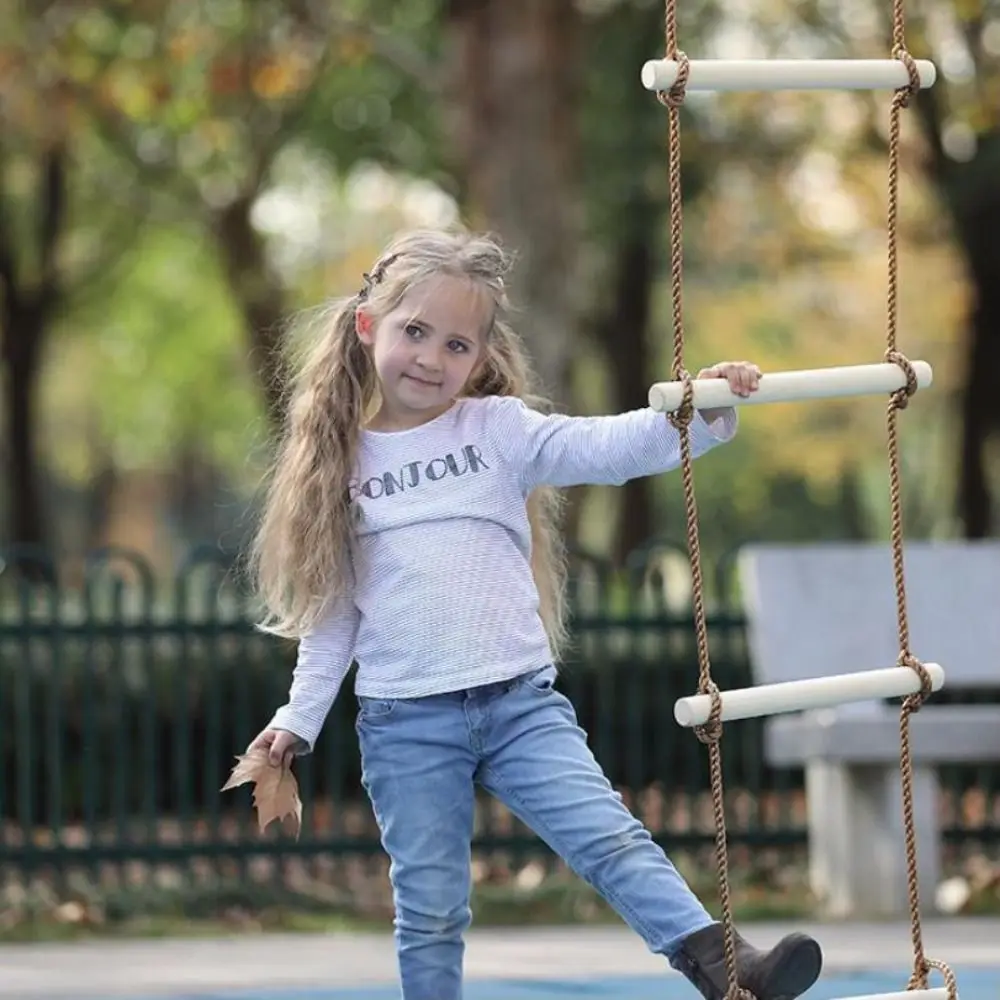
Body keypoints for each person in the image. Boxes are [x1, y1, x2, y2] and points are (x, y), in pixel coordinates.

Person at [245, 229, 823, 1000]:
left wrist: (704, 409)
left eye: (456, 344)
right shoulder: (340, 466)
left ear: (479, 359)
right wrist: (298, 717)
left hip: (520, 707)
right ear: (367, 326)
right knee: (431, 907)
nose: (430, 357)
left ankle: (724, 966)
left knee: (612, 840)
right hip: (406, 723)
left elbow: (610, 448)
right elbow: (334, 614)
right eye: (414, 331)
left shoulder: (498, 432)